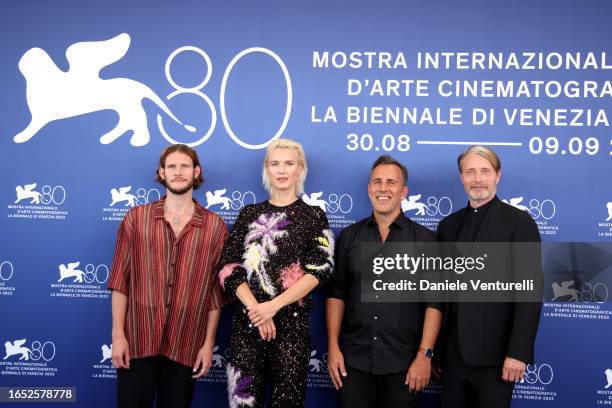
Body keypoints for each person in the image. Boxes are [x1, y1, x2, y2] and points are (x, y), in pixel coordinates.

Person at [108, 144, 228, 408]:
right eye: (171, 166)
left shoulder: (215, 227)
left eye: (184, 166)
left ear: (196, 171)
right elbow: (119, 281)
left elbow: (215, 295)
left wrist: (208, 344)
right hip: (138, 340)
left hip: (186, 343)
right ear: (161, 173)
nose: (178, 172)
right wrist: (118, 335)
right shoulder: (136, 219)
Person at [218, 138, 334, 408]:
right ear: (267, 169)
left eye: (289, 163)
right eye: (275, 163)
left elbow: (320, 270)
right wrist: (258, 310)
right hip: (247, 327)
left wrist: (273, 306)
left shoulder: (313, 216)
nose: (282, 170)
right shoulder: (250, 214)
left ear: (300, 169)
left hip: (292, 331)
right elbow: (228, 268)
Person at [326, 155, 443, 408]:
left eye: (391, 182)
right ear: (369, 188)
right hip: (353, 363)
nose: (383, 188)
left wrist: (425, 356)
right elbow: (337, 294)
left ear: (404, 191)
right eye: (377, 182)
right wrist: (333, 347)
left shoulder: (424, 241)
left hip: (404, 365)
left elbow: (434, 303)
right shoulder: (349, 236)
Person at [437, 145, 542, 408]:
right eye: (470, 172)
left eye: (485, 171)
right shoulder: (447, 225)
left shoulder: (520, 223)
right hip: (451, 356)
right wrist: (435, 352)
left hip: (497, 358)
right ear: (461, 178)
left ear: (498, 175)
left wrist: (518, 353)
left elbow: (529, 292)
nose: (478, 179)